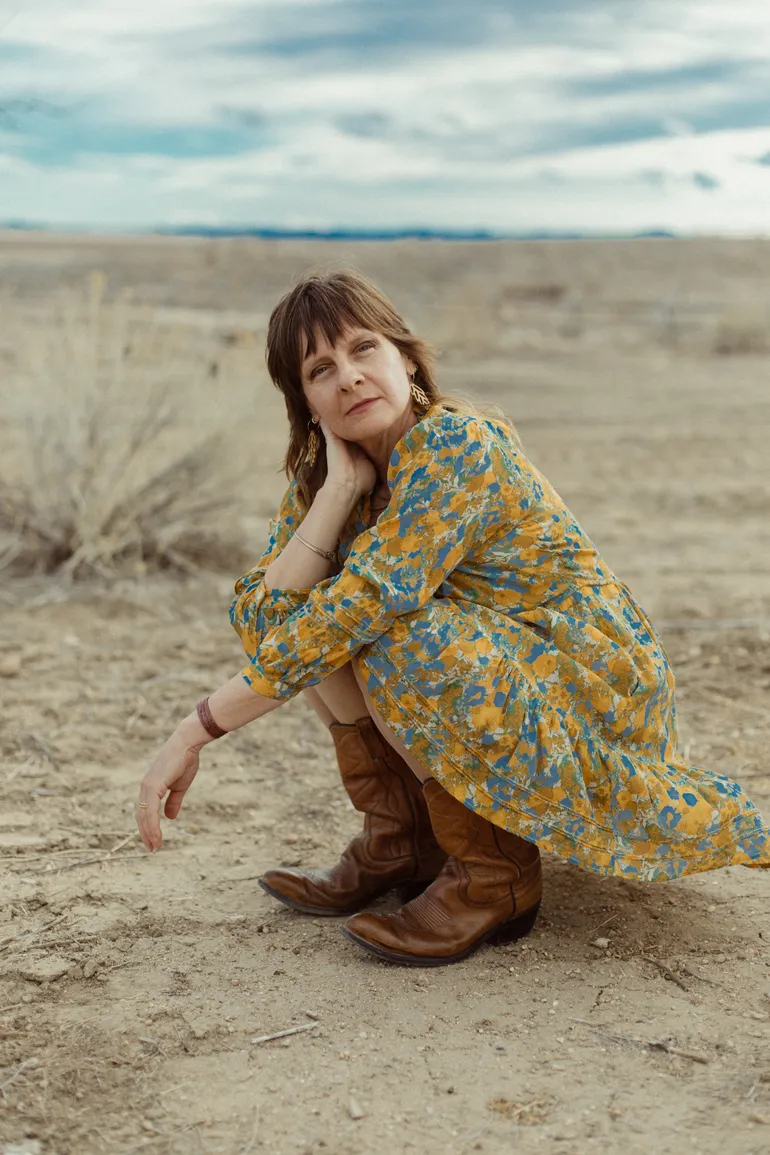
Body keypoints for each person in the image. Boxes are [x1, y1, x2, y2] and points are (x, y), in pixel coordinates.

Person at [135, 270, 770, 967]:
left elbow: (355, 611)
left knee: (389, 631)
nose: (348, 377)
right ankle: (404, 838)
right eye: (321, 369)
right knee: (333, 624)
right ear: (305, 401)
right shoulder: (324, 477)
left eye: (363, 349)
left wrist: (197, 728)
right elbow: (263, 617)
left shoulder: (456, 448)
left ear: (405, 358)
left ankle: (493, 875)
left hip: (590, 680)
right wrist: (339, 493)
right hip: (494, 665)